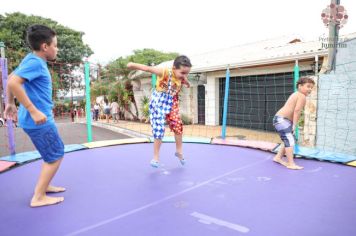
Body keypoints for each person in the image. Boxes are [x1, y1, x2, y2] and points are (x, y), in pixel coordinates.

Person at [4, 24, 65, 207]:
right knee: (55, 155)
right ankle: (38, 197)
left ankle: (45, 186)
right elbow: (14, 81)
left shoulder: (31, 59)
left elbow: (11, 78)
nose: (57, 48)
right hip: (39, 120)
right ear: (45, 47)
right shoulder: (36, 62)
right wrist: (32, 109)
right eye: (55, 45)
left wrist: (10, 103)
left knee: (51, 153)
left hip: (33, 119)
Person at [127, 55, 191, 168]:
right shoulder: (164, 72)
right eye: (182, 73)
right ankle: (156, 157)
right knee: (159, 128)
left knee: (177, 124)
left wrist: (187, 82)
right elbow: (147, 68)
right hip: (158, 102)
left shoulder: (182, 77)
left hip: (172, 102)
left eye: (187, 73)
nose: (184, 76)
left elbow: (185, 80)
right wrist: (132, 65)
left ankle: (179, 151)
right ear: (174, 68)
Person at [272, 76, 315, 170]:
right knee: (289, 140)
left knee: (288, 139)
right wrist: (294, 125)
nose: (310, 89)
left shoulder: (296, 94)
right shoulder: (301, 96)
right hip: (281, 120)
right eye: (308, 86)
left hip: (283, 120)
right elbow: (297, 110)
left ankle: (278, 157)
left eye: (312, 87)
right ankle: (291, 163)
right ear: (300, 86)